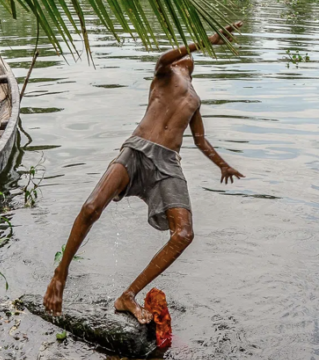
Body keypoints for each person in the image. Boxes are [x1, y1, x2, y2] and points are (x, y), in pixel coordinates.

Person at [43, 22, 246, 323]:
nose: (185, 59)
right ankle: (61, 274)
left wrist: (222, 165)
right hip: (138, 149)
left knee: (184, 235)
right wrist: (204, 41)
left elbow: (200, 140)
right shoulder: (165, 72)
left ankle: (128, 295)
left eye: (189, 56)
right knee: (90, 208)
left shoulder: (194, 98)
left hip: (168, 163)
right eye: (183, 54)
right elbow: (163, 58)